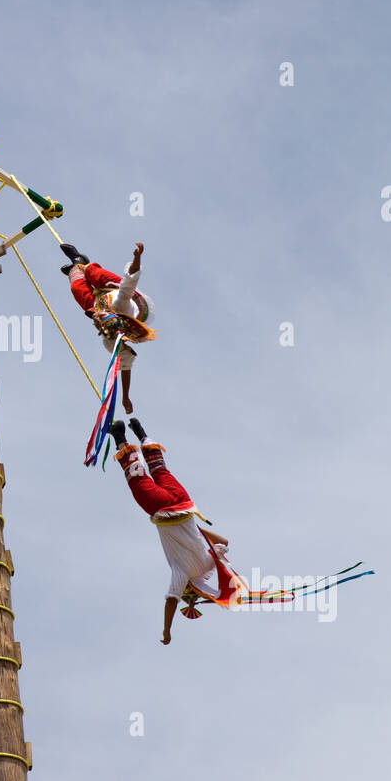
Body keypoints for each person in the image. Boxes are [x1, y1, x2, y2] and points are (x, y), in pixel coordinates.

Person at [107, 417, 240, 645]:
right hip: (163, 509)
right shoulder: (182, 573)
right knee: (138, 480)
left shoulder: (209, 561)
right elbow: (171, 600)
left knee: (160, 470)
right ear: (190, 588)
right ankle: (120, 437)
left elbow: (225, 543)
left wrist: (198, 532)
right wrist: (166, 631)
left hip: (185, 505)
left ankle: (142, 434)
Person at [61, 242, 156, 414]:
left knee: (78, 289)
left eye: (98, 320)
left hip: (105, 306)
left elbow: (125, 365)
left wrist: (125, 397)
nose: (96, 318)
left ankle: (74, 268)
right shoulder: (121, 303)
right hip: (122, 293)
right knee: (93, 273)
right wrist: (137, 257)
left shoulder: (110, 340)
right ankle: (80, 260)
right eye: (100, 318)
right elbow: (131, 278)